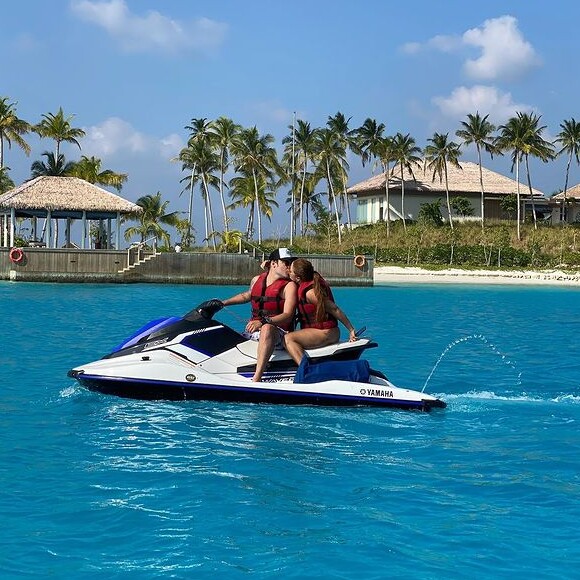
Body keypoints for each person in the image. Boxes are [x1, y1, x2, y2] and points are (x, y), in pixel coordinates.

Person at [220, 248, 298, 382]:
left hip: (279, 333)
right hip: (254, 330)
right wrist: (222, 303)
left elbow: (288, 315)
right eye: (286, 263)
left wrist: (263, 322)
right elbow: (247, 295)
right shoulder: (257, 279)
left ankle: (257, 377)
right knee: (221, 330)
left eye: (291, 263)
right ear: (274, 264)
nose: (290, 267)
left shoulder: (289, 286)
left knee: (267, 328)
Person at [285, 258, 357, 365]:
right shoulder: (306, 281)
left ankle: (306, 370)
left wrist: (351, 330)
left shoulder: (310, 293)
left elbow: (334, 309)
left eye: (290, 270)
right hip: (320, 331)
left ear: (298, 278)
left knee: (288, 339)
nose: (288, 271)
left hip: (327, 332)